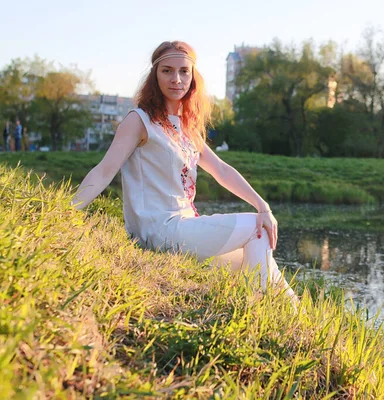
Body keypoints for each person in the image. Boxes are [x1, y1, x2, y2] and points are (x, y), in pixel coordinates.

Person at [72, 41, 298, 306]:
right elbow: (103, 171)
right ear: (155, 76)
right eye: (167, 71)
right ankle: (265, 312)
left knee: (260, 243)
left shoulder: (186, 127)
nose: (176, 79)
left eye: (184, 71)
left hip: (186, 227)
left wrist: (264, 205)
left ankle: (292, 314)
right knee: (255, 226)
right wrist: (67, 211)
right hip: (158, 231)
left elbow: (222, 171)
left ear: (193, 78)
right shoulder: (140, 120)